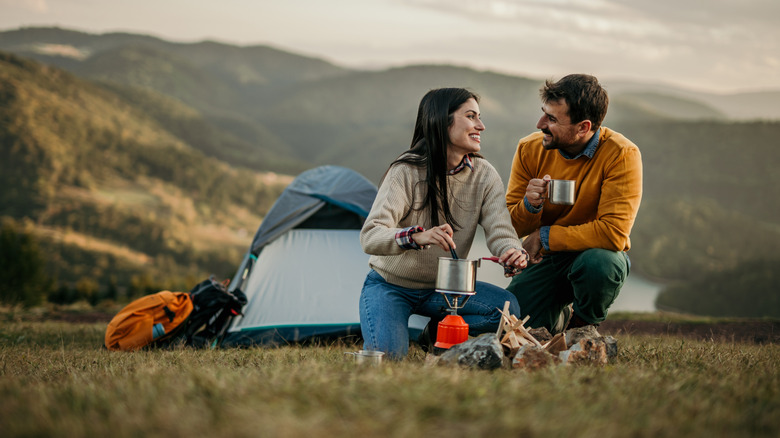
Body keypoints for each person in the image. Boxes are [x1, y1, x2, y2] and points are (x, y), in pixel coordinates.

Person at [359, 88, 529, 359]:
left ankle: (435, 333)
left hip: (445, 291)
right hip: (390, 286)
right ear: (442, 120)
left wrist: (511, 251)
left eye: (479, 117)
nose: (480, 126)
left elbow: (501, 231)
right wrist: (415, 237)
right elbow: (370, 236)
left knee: (507, 310)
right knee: (389, 358)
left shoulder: (484, 175)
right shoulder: (405, 172)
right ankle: (412, 335)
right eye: (471, 116)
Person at [505, 74, 643, 334]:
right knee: (509, 326)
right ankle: (556, 318)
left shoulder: (621, 154)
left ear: (583, 127)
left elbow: (613, 233)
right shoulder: (528, 148)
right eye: (544, 113)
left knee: (602, 264)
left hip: (591, 255)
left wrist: (544, 236)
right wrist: (530, 205)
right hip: (546, 262)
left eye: (553, 119)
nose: (540, 124)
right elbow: (510, 226)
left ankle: (581, 325)